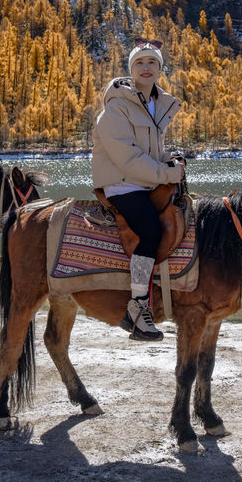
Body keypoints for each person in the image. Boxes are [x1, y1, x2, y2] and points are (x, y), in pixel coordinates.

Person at [91, 38, 185, 341]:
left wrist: (169, 161)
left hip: (143, 181)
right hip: (122, 183)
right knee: (151, 231)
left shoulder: (153, 104)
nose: (146, 68)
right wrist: (165, 173)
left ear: (160, 69)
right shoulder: (117, 107)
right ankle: (138, 305)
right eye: (140, 63)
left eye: (152, 63)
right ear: (132, 69)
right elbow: (128, 158)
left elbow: (148, 152)